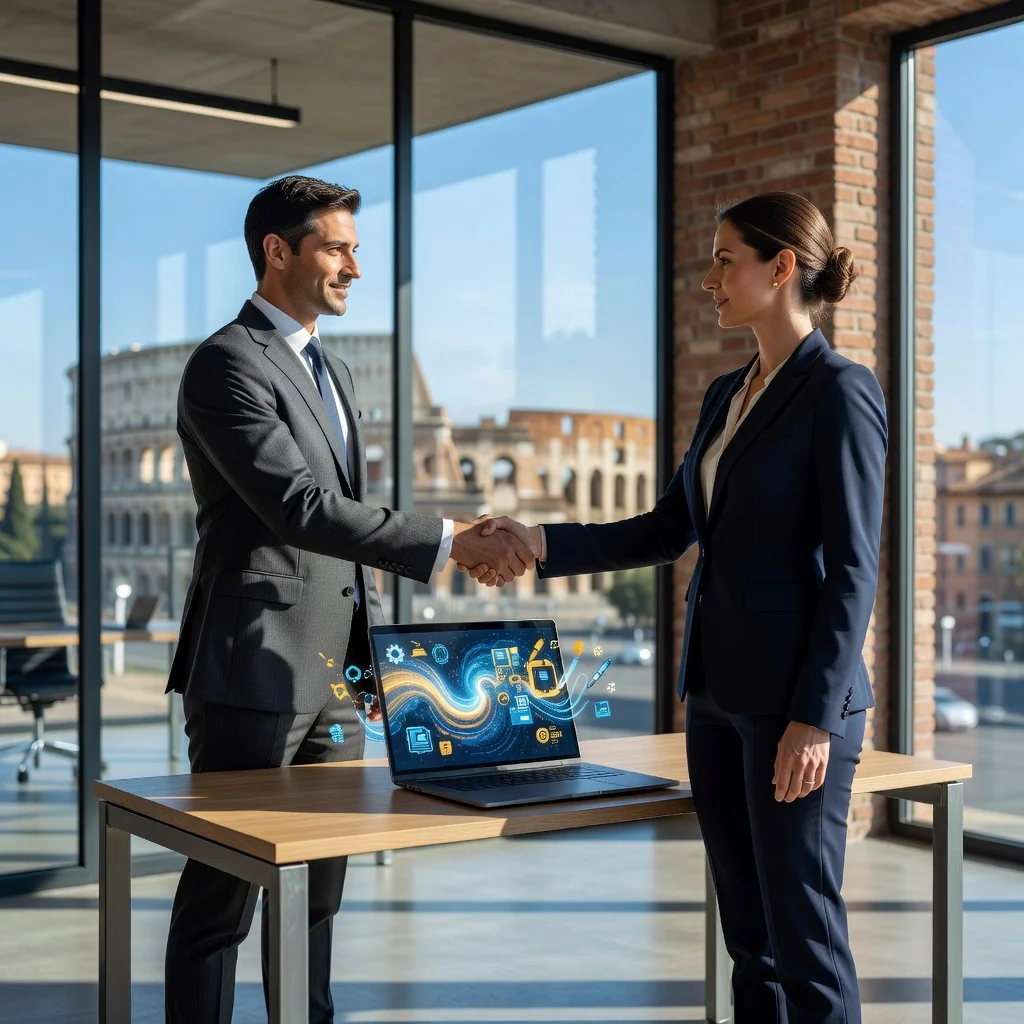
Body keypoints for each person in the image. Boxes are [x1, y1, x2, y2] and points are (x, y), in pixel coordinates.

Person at [466, 192, 887, 1023]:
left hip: (795, 706)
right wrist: (540, 541)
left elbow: (855, 569)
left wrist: (814, 718)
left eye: (726, 260)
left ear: (781, 267)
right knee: (750, 941)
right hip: (717, 696)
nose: (709, 279)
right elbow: (667, 529)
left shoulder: (840, 389)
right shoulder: (728, 392)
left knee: (804, 936)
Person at [164, 175, 533, 1024]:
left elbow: (337, 525)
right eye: (336, 248)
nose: (354, 268)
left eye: (355, 250)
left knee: (318, 896)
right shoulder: (226, 363)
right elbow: (297, 508)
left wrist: (371, 654)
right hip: (253, 667)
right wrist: (449, 539)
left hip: (335, 672)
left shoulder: (330, 369)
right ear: (277, 252)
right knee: (223, 898)